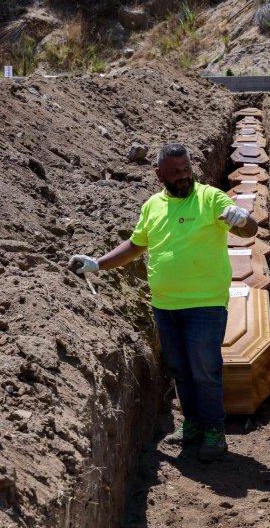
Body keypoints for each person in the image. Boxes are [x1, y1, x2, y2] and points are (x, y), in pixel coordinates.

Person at [68, 143, 258, 462]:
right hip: (166, 306)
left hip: (205, 304)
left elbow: (248, 230)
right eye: (174, 173)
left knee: (204, 369)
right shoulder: (152, 206)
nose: (183, 177)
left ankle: (214, 430)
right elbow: (135, 245)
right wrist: (97, 264)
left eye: (186, 169)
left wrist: (244, 218)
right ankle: (193, 424)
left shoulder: (210, 198)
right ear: (159, 175)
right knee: (180, 370)